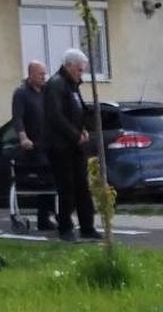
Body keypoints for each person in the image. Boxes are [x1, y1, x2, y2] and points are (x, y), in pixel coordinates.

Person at [42, 49, 99, 243]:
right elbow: (55, 116)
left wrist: (83, 129)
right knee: (66, 187)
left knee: (82, 187)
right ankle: (65, 227)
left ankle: (87, 227)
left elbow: (78, 111)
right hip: (60, 146)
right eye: (79, 70)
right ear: (69, 66)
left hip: (74, 145)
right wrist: (75, 135)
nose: (80, 74)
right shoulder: (56, 85)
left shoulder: (73, 86)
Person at [12, 60, 56, 231]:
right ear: (30, 75)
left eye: (45, 74)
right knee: (45, 176)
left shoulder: (46, 92)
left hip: (48, 143)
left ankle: (47, 216)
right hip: (32, 147)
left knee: (55, 177)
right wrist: (23, 138)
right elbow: (18, 118)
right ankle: (44, 216)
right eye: (40, 74)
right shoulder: (22, 93)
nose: (43, 77)